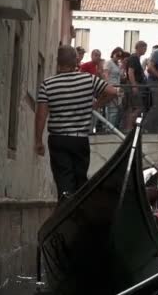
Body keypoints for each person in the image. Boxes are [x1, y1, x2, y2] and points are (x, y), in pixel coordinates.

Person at [35, 45, 117, 200]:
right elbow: (113, 92)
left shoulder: (48, 84)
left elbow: (41, 115)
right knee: (80, 183)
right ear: (76, 61)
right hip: (79, 139)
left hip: (58, 139)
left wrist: (38, 141)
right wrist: (95, 105)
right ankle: (77, 216)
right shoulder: (88, 79)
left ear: (58, 62)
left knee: (63, 182)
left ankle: (64, 208)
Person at [125, 41, 149, 130]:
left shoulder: (136, 59)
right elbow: (130, 72)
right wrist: (134, 85)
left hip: (135, 84)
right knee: (138, 107)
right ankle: (130, 127)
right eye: (144, 48)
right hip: (134, 85)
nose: (145, 50)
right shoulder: (134, 58)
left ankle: (130, 127)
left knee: (132, 107)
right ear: (138, 48)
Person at [103, 47, 124, 129]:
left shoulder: (118, 65)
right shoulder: (108, 63)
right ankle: (108, 128)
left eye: (120, 56)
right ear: (113, 54)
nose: (118, 57)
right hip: (111, 87)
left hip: (117, 87)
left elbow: (121, 76)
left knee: (115, 109)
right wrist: (108, 87)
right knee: (112, 109)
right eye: (117, 55)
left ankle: (110, 127)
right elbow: (106, 75)